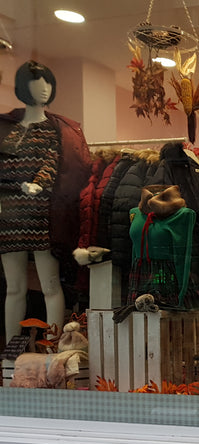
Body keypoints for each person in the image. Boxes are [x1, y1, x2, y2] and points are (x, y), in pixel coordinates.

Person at [0, 60, 90, 342]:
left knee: (51, 285)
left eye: (47, 85)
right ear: (23, 89)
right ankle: (12, 352)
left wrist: (38, 183)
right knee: (14, 288)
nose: (43, 91)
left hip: (43, 214)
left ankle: (53, 346)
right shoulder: (7, 128)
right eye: (36, 85)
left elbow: (58, 164)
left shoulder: (57, 129)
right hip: (10, 216)